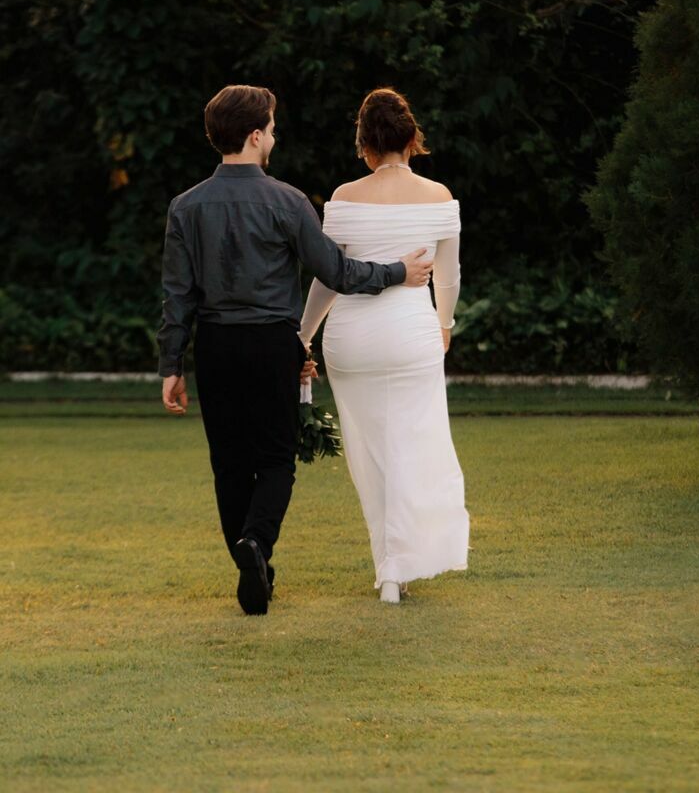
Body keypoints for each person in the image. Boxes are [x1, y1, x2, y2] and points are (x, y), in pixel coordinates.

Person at [157, 83, 432, 616]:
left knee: (228, 463)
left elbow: (177, 295)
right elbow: (337, 272)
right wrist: (400, 271)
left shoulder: (185, 207)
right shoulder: (287, 201)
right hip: (271, 344)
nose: (275, 137)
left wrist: (171, 364)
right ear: (256, 135)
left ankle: (251, 559)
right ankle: (256, 545)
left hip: (214, 346)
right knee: (277, 458)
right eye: (273, 129)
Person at [300, 87, 468, 603]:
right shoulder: (439, 197)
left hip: (352, 341)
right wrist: (444, 325)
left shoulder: (345, 198)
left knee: (372, 450)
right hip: (411, 335)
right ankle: (396, 566)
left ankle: (388, 565)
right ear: (412, 138)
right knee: (412, 446)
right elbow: (449, 276)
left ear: (364, 143)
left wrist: (302, 334)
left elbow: (329, 279)